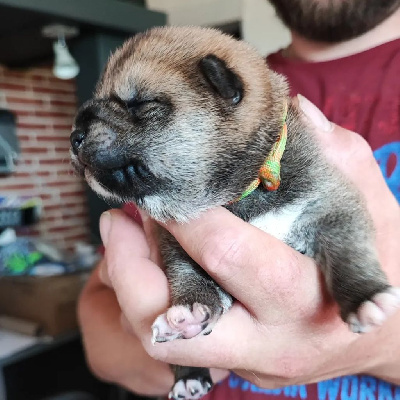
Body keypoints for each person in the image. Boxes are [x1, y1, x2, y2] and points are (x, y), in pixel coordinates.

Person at [78, 1, 400, 399]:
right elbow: (100, 328)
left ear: (224, 91)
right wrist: (175, 338)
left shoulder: (282, 136)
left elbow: (336, 218)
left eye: (142, 107)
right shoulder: (165, 187)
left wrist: (385, 344)